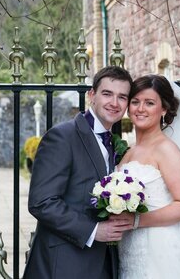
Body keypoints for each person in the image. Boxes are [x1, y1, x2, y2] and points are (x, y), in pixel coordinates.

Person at [22, 66, 134, 279]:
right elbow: (41, 202)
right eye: (107, 94)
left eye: (122, 97)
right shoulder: (62, 137)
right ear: (92, 95)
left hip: (105, 264)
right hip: (65, 264)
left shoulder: (115, 144)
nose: (114, 103)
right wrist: (93, 231)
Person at [117, 74, 180, 279]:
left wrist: (137, 220)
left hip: (160, 249)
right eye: (135, 102)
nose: (140, 108)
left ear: (163, 109)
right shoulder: (130, 151)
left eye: (149, 103)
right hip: (131, 248)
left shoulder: (167, 150)